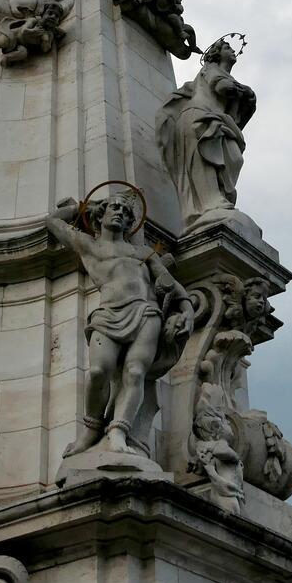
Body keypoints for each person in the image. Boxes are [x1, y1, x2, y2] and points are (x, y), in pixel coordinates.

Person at [45, 190, 193, 458]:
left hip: (146, 314)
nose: (120, 213)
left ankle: (119, 431)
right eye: (114, 207)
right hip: (109, 314)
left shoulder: (144, 253)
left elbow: (176, 288)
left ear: (130, 223)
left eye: (126, 212)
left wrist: (187, 313)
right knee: (99, 371)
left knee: (135, 372)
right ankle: (92, 428)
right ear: (100, 215)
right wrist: (82, 208)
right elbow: (53, 222)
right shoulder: (90, 245)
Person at [156, 38, 257, 228]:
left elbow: (238, 115)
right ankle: (210, 204)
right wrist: (246, 91)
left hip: (215, 119)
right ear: (216, 54)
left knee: (233, 158)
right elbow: (222, 87)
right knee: (207, 161)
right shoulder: (211, 69)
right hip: (199, 118)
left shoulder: (224, 75)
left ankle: (216, 199)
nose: (232, 51)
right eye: (227, 47)